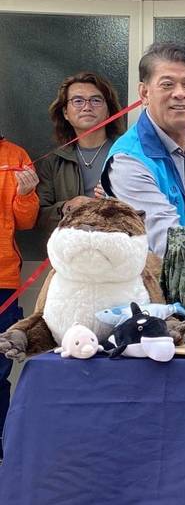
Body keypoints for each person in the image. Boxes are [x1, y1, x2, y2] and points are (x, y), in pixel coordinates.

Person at [102, 42, 185, 257]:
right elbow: (167, 243)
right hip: (146, 284)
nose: (180, 94)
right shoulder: (127, 161)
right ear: (144, 93)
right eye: (167, 84)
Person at [36, 72, 126, 233]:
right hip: (70, 254)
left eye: (96, 100)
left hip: (119, 251)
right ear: (65, 113)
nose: (87, 107)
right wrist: (67, 207)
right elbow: (38, 217)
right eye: (78, 101)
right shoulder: (54, 161)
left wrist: (117, 200)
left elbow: (148, 210)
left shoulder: (127, 154)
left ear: (108, 112)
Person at [0, 135, 39, 458]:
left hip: (4, 279)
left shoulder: (15, 154)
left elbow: (26, 222)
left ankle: (2, 447)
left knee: (0, 372)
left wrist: (26, 194)